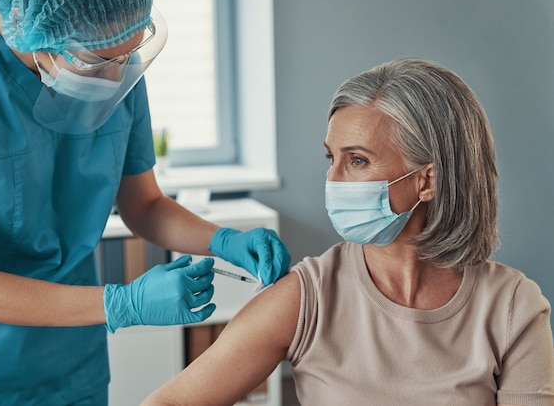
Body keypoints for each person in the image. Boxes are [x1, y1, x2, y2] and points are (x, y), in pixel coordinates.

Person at [0, 0, 290, 404]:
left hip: (74, 359)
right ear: (39, 35)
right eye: (99, 63)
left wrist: (225, 240)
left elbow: (145, 205)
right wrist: (125, 304)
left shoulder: (117, 66)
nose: (116, 76)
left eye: (128, 54)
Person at [141, 58, 554, 406]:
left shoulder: (512, 307)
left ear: (427, 180)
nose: (332, 179)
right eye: (331, 158)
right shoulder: (306, 298)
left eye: (357, 161)